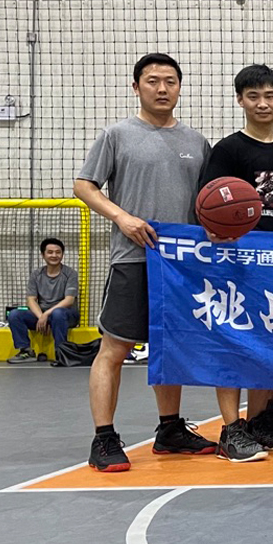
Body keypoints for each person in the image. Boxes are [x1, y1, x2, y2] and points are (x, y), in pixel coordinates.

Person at [74, 53, 217, 472]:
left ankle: (170, 430)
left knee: (169, 348)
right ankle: (103, 438)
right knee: (115, 348)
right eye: (152, 81)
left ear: (179, 87)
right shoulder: (117, 135)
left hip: (181, 264)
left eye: (170, 81)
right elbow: (84, 185)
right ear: (136, 87)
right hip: (133, 258)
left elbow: (209, 202)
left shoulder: (196, 142)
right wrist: (121, 216)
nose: (162, 88)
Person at [198, 64, 273, 462]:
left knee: (271, 343)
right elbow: (207, 201)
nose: (262, 103)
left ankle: (260, 422)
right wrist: (216, 229)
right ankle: (230, 430)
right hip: (236, 265)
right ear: (240, 100)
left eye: (269, 96)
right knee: (234, 345)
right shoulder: (228, 149)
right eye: (253, 96)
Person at [6, 237, 80, 364]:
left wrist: (46, 314)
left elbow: (69, 300)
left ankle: (61, 352)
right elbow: (31, 300)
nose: (54, 255)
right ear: (43, 255)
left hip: (65, 315)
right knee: (14, 314)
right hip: (43, 315)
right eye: (50, 252)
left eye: (58, 252)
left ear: (62, 254)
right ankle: (25, 351)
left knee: (58, 313)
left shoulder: (70, 274)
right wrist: (41, 316)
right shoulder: (36, 275)